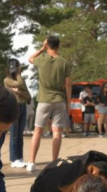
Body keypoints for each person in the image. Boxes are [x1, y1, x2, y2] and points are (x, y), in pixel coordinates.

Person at [25, 36, 72, 173]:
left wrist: (41, 49)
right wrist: (68, 101)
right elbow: (68, 84)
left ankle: (31, 162)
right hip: (59, 100)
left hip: (44, 100)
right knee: (57, 132)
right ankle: (54, 162)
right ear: (59, 46)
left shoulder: (41, 60)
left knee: (37, 131)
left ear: (47, 45)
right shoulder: (64, 62)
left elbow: (30, 59)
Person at [4, 59, 31, 167]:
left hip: (23, 105)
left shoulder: (20, 79)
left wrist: (18, 91)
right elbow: (19, 83)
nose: (14, 71)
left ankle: (20, 158)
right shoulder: (7, 80)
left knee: (20, 135)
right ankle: (14, 159)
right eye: (13, 69)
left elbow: (27, 95)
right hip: (13, 106)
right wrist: (18, 74)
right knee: (14, 134)